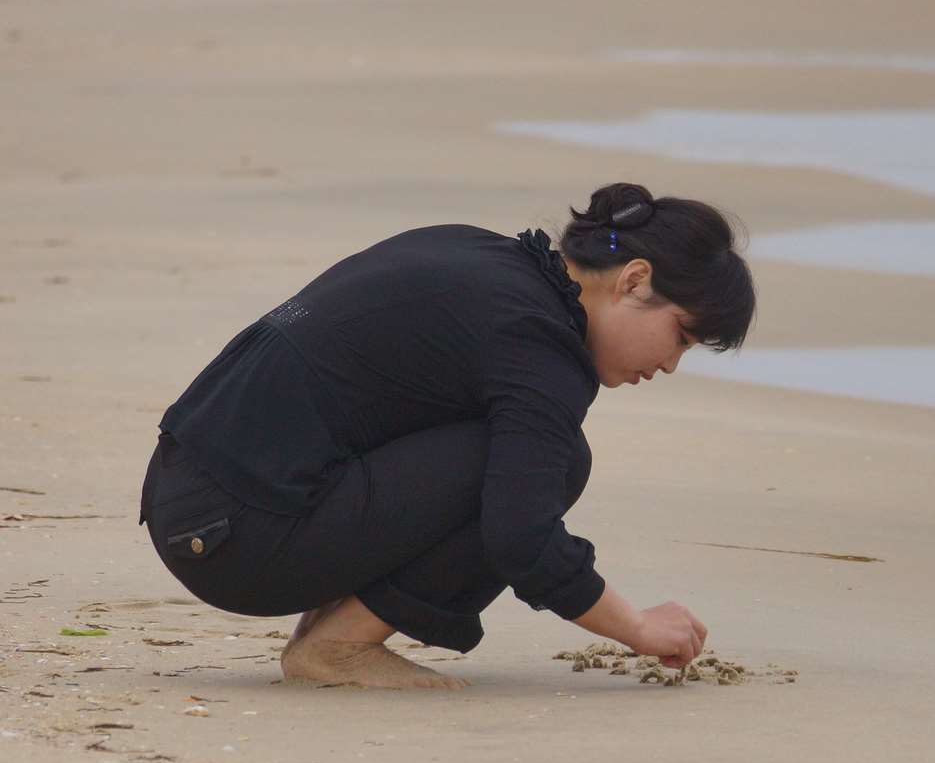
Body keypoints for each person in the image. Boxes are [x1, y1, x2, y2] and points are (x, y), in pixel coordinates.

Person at [137, 182, 754, 690]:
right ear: (634, 280)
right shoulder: (539, 345)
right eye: (681, 336)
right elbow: (522, 535)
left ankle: (329, 627)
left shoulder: (476, 255)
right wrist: (639, 628)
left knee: (513, 446)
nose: (671, 365)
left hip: (189, 500)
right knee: (556, 460)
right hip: (236, 541)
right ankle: (339, 646)